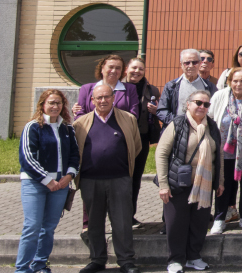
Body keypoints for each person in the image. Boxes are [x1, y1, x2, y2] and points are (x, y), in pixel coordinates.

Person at [74, 83, 143, 273]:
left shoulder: (128, 119)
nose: (103, 100)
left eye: (107, 97)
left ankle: (126, 261)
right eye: (99, 98)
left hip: (119, 178)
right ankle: (97, 259)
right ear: (92, 100)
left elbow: (136, 146)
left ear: (113, 98)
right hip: (90, 180)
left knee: (121, 222)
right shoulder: (80, 123)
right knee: (94, 222)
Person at [156, 89, 223, 273]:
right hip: (178, 182)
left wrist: (220, 181)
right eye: (198, 103)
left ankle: (193, 256)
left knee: (199, 223)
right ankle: (175, 260)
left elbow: (219, 156)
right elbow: (161, 154)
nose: (202, 107)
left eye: (206, 104)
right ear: (188, 104)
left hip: (204, 184)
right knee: (176, 222)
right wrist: (163, 184)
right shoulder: (177, 123)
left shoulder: (212, 126)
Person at [17, 89, 79, 273]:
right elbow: (27, 158)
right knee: (32, 226)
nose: (55, 106)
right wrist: (47, 180)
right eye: (51, 102)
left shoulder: (67, 128)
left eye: (58, 103)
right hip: (35, 184)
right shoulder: (33, 127)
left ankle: (39, 264)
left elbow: (75, 156)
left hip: (61, 185)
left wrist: (68, 176)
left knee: (49, 228)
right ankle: (22, 269)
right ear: (42, 104)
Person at [208, 67, 242, 234]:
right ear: (229, 82)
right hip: (224, 150)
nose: (239, 84)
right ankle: (220, 218)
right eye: (235, 80)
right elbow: (210, 118)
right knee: (223, 185)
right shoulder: (220, 96)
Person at [125, 57, 160, 227]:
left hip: (142, 137)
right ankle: (117, 216)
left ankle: (130, 214)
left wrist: (156, 111)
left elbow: (158, 113)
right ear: (126, 69)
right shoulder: (118, 88)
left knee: (136, 178)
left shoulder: (152, 90)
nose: (137, 72)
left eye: (140, 69)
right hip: (122, 139)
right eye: (134, 68)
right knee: (122, 178)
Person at [159, 49, 219, 127]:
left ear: (200, 63)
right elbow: (162, 111)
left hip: (201, 130)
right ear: (181, 65)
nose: (191, 66)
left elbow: (215, 110)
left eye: (194, 62)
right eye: (187, 63)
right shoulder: (171, 86)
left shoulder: (209, 86)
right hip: (176, 130)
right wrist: (178, 123)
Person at [73, 54, 140, 119]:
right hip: (91, 129)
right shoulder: (86, 89)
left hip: (120, 129)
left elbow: (133, 116)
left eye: (118, 68)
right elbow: (79, 115)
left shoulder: (130, 89)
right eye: (110, 67)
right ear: (102, 69)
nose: (114, 71)